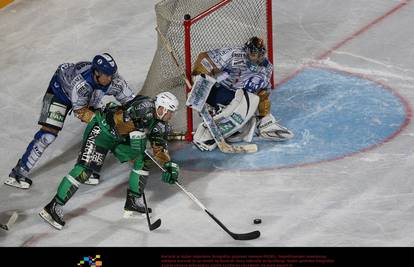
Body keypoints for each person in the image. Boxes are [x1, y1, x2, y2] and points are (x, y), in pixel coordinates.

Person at [39, 92, 180, 230]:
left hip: (119, 139)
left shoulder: (160, 124)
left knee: (143, 160)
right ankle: (53, 206)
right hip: (101, 130)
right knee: (84, 171)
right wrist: (137, 133)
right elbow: (117, 120)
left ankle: (132, 202)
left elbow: (159, 148)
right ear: (162, 108)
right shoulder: (143, 107)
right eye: (170, 112)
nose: (171, 116)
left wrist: (168, 165)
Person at [5, 53, 136, 189]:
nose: (111, 78)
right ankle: (17, 172)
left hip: (86, 97)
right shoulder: (82, 85)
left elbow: (131, 101)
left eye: (112, 74)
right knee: (48, 135)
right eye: (107, 75)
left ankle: (86, 169)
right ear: (97, 73)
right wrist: (106, 121)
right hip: (60, 93)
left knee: (99, 128)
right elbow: (80, 112)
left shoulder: (112, 79)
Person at [190, 36, 294, 151]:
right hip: (218, 90)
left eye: (260, 55)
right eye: (253, 54)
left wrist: (263, 111)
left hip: (240, 96)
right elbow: (205, 57)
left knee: (257, 95)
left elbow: (264, 92)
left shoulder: (267, 67)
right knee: (242, 101)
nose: (256, 58)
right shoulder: (234, 54)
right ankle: (208, 131)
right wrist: (199, 77)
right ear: (246, 51)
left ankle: (264, 122)